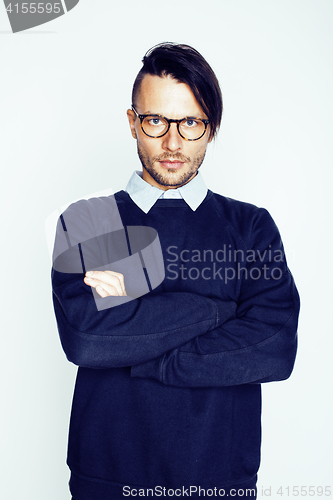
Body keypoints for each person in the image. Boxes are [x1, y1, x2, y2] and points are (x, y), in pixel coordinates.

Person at [52, 43, 300, 500]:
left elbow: (275, 346)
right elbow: (88, 338)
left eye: (190, 123)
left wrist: (138, 330)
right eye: (156, 121)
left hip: (219, 481)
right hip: (106, 478)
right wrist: (220, 310)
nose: (172, 143)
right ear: (133, 123)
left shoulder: (250, 227)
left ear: (210, 130)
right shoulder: (89, 221)